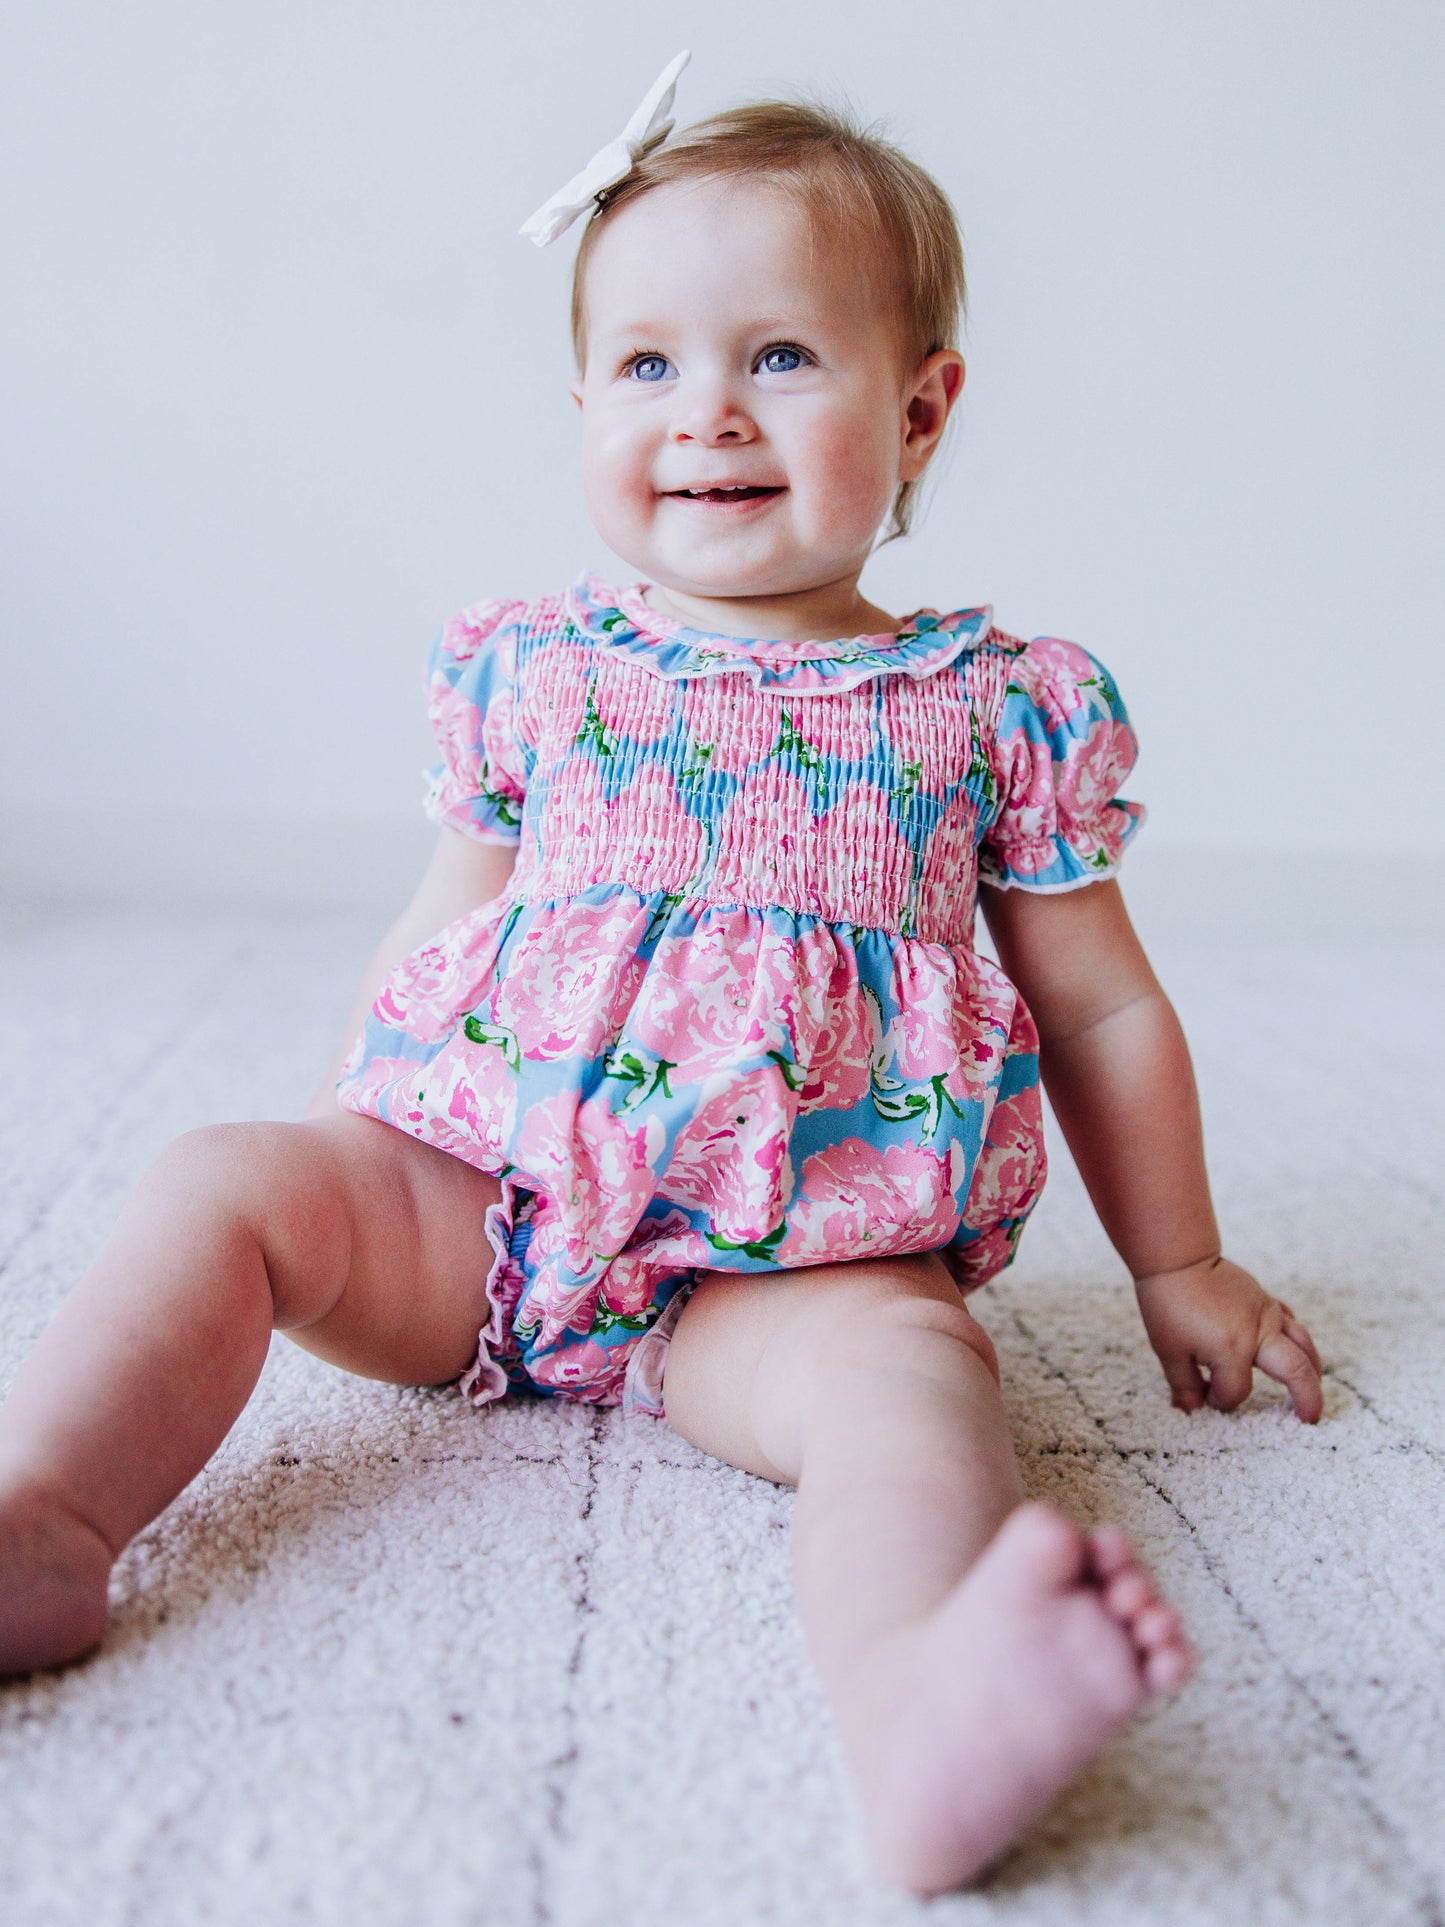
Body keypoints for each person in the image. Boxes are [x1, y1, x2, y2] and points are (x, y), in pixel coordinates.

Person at [0, 60, 1324, 1895]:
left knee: (912, 1377)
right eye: (645, 365)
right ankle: (45, 1514)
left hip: (787, 1266)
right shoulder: (533, 667)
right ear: (580, 404)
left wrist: (1176, 1262)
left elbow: (1099, 1004)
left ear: (922, 409)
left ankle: (920, 1698)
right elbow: (439, 932)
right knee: (222, 1185)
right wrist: (348, 1156)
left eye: (780, 357)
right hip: (489, 1203)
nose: (706, 413)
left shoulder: (990, 707)